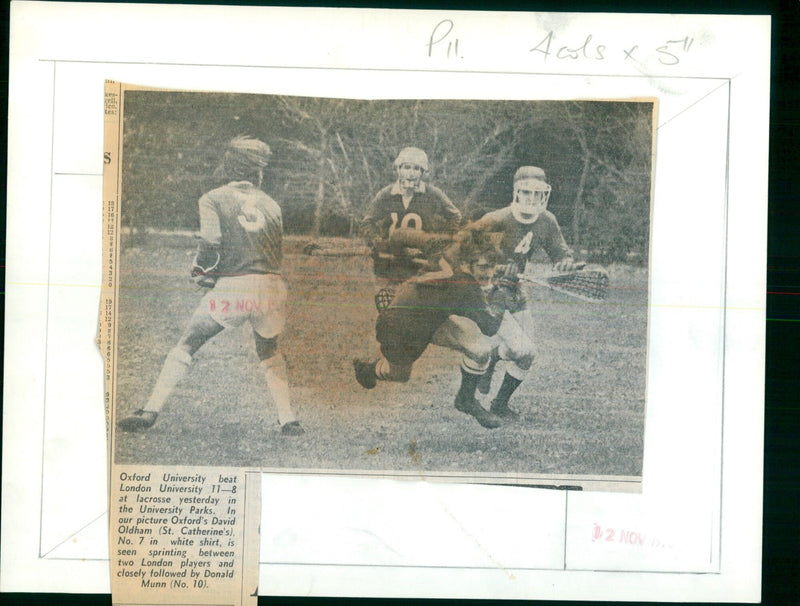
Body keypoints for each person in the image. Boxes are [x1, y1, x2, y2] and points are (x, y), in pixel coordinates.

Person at [117, 136, 304, 436]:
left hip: (236, 288)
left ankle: (150, 410)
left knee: (188, 343)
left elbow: (211, 241)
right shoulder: (272, 204)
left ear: (228, 167)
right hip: (271, 286)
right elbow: (274, 251)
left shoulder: (213, 198)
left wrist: (203, 272)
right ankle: (288, 419)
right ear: (257, 171)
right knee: (269, 352)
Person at [454, 166, 577, 420]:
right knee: (527, 350)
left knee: (525, 357)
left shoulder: (546, 220)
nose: (532, 199)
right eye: (526, 192)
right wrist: (496, 267)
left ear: (544, 195)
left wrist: (565, 262)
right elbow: (461, 251)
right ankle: (489, 366)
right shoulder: (495, 219)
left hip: (514, 291)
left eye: (537, 193)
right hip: (488, 294)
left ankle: (499, 402)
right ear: (516, 193)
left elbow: (560, 252)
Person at [353, 231, 508, 429]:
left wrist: (390, 246)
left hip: (417, 319)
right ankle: (367, 370)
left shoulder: (441, 250)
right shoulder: (467, 287)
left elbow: (404, 234)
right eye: (484, 267)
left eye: (492, 266)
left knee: (479, 349)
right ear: (467, 263)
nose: (489, 273)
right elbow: (490, 327)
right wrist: (502, 293)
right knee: (399, 375)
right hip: (401, 328)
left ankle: (466, 400)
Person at [361, 147, 462, 286]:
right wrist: (377, 241)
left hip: (422, 260)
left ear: (422, 172)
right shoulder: (386, 194)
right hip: (392, 259)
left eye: (416, 169)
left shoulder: (432, 194)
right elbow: (367, 222)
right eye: (407, 167)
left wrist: (440, 242)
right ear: (399, 169)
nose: (411, 173)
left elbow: (455, 216)